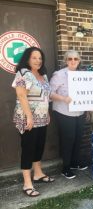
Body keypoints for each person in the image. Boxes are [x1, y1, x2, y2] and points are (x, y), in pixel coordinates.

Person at [12, 47, 54, 197]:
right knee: (28, 148)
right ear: (27, 59)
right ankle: (27, 183)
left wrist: (47, 112)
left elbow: (46, 96)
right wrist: (29, 116)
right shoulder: (23, 73)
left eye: (40, 58)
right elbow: (21, 96)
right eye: (34, 57)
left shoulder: (43, 75)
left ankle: (38, 173)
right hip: (27, 118)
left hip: (42, 117)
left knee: (39, 147)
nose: (38, 61)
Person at [50, 50, 87, 179]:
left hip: (79, 112)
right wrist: (63, 98)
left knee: (78, 138)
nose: (73, 61)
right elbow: (49, 93)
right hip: (64, 112)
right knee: (68, 139)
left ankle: (74, 163)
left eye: (75, 59)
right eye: (70, 59)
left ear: (79, 60)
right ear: (66, 60)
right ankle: (65, 168)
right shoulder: (59, 75)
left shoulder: (82, 75)